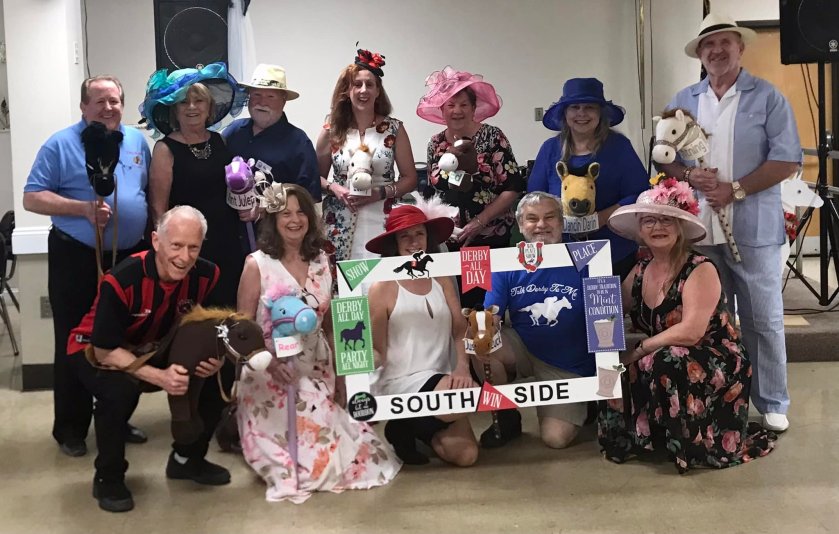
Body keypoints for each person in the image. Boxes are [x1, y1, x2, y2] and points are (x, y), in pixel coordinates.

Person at [659, 13, 801, 433]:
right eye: (709, 44)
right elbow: (665, 158)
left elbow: (787, 159)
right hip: (700, 230)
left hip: (753, 229)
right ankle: (721, 396)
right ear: (700, 54)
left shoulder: (769, 97)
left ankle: (772, 400)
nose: (717, 50)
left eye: (725, 42)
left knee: (762, 318)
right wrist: (689, 175)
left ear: (740, 47)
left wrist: (735, 189)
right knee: (711, 319)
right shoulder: (683, 99)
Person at [236, 183, 401, 503]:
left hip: (318, 365)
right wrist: (269, 363)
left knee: (362, 455)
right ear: (273, 219)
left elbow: (329, 324)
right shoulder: (256, 264)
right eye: (286, 213)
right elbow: (242, 328)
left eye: (301, 212)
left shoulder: (323, 261)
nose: (295, 219)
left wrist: (341, 376)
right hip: (271, 370)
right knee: (308, 463)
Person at [600, 177, 777, 472]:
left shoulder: (700, 267)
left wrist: (638, 350)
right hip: (664, 352)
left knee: (665, 359)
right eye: (648, 221)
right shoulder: (640, 269)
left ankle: (687, 445)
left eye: (666, 220)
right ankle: (639, 439)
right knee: (610, 363)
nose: (657, 227)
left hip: (712, 355)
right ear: (640, 231)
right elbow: (611, 310)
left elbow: (691, 332)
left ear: (680, 227)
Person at [66, 206, 231, 512]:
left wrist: (216, 360)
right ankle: (108, 478)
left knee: (217, 376)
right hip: (94, 348)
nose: (184, 257)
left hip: (156, 345)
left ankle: (186, 458)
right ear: (156, 241)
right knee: (118, 391)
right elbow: (103, 349)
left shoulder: (208, 275)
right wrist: (160, 377)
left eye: (193, 247)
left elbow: (214, 327)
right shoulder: (122, 280)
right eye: (176, 245)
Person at [23, 75, 150, 458]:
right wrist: (82, 209)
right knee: (74, 339)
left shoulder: (136, 141)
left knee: (122, 338)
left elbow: (142, 191)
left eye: (114, 101)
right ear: (83, 106)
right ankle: (71, 428)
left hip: (128, 257)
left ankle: (116, 417)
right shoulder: (60, 144)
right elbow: (32, 197)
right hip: (77, 256)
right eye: (99, 101)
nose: (108, 108)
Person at [365, 201, 479, 466]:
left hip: (441, 375)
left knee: (466, 456)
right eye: (405, 236)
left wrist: (462, 367)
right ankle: (404, 421)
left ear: (428, 238)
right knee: (465, 399)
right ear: (394, 243)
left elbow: (459, 329)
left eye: (419, 233)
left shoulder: (441, 277)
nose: (414, 241)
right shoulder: (382, 287)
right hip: (401, 380)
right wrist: (355, 368)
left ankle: (405, 428)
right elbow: (377, 348)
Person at [482, 192, 592, 449]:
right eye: (532, 219)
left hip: (569, 362)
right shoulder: (506, 262)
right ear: (521, 225)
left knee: (555, 439)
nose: (541, 225)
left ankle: (588, 401)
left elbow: (607, 316)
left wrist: (605, 376)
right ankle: (504, 417)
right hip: (523, 347)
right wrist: (482, 332)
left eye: (549, 217)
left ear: (562, 223)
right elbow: (491, 314)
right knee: (482, 345)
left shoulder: (586, 257)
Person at [142, 62, 246, 308]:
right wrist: (171, 250)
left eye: (199, 101)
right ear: (174, 110)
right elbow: (158, 208)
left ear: (209, 107)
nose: (192, 107)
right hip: (189, 246)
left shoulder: (220, 141)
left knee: (227, 308)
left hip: (227, 240)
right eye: (183, 102)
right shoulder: (165, 149)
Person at [419, 66, 525, 307]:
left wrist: (479, 222)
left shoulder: (492, 136)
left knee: (482, 306)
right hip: (448, 240)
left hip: (488, 235)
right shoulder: (435, 143)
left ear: (474, 108)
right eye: (450, 105)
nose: (457, 111)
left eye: (463, 104)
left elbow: (512, 187)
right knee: (452, 304)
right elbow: (433, 191)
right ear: (442, 109)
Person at [528, 77, 649, 281]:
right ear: (565, 113)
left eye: (589, 107)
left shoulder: (619, 147)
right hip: (559, 253)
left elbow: (640, 194)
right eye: (575, 107)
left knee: (609, 303)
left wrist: (602, 218)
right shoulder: (549, 149)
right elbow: (534, 198)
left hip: (612, 251)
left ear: (600, 113)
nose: (582, 113)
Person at [317, 48, 417, 262]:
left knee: (383, 277)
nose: (363, 90)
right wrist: (335, 188)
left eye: (369, 85)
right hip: (340, 220)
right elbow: (316, 178)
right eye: (357, 84)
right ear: (347, 90)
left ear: (378, 91)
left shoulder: (394, 129)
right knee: (344, 279)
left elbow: (410, 179)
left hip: (383, 219)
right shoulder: (331, 130)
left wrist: (379, 194)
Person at [224, 63, 321, 202]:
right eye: (256, 94)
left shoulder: (299, 143)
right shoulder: (234, 131)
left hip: (275, 216)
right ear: (249, 97)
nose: (262, 102)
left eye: (270, 96)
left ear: (283, 101)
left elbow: (309, 198)